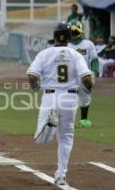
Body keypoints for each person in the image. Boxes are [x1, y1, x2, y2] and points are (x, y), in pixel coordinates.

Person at [27, 22, 93, 186]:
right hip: (70, 99)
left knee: (41, 140)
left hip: (50, 97)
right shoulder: (75, 54)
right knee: (66, 138)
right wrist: (88, 88)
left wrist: (35, 88)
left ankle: (50, 125)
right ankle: (61, 175)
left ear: (55, 36)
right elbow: (86, 78)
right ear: (69, 37)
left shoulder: (44, 54)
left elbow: (32, 76)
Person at [68, 19, 98, 127]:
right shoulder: (66, 44)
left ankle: (84, 120)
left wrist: (94, 71)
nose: (73, 34)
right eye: (71, 32)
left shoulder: (88, 44)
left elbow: (94, 60)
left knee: (85, 98)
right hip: (70, 76)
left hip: (84, 76)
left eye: (75, 32)